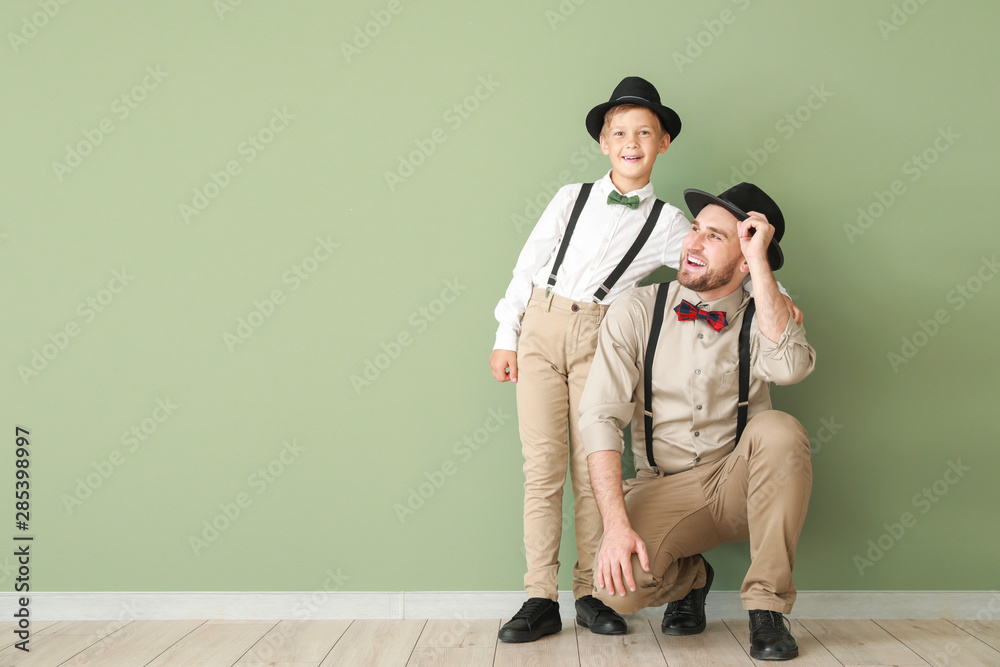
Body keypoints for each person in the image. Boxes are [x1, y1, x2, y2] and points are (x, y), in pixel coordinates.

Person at [488, 77, 801, 643]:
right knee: (543, 467)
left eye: (644, 133)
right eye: (620, 133)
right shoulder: (571, 199)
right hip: (540, 321)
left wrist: (769, 288)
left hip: (600, 333)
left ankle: (589, 591)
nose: (631, 143)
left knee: (591, 464)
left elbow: (717, 271)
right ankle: (539, 595)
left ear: (664, 144)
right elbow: (526, 265)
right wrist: (505, 333)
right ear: (604, 142)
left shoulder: (670, 226)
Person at [579, 183, 815, 661]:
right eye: (694, 230)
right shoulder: (637, 310)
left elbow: (790, 369)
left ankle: (766, 609)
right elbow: (601, 417)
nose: (693, 244)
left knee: (780, 430)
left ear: (747, 260)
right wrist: (617, 525)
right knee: (618, 592)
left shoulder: (767, 312)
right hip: (662, 486)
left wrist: (761, 270)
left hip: (737, 483)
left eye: (715, 237)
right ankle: (694, 577)